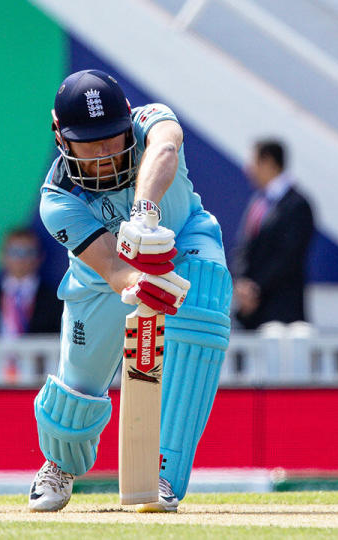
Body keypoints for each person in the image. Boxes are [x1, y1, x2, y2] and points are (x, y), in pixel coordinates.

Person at [27, 70, 233, 513]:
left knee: (204, 298)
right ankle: (59, 464)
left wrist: (144, 213)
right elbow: (115, 270)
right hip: (101, 278)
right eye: (89, 141)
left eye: (111, 137)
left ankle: (163, 473)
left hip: (184, 240)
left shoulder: (152, 122)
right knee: (78, 388)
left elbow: (166, 143)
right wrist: (141, 285)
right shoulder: (57, 200)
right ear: (61, 137)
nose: (103, 152)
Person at [232, 139, 314, 330]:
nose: (248, 169)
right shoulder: (258, 202)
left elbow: (288, 256)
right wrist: (242, 284)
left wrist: (256, 287)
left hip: (282, 313)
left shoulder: (298, 205)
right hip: (251, 313)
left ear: (268, 161)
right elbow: (244, 246)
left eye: (252, 162)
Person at [0, 228, 62, 337]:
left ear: (40, 257)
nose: (21, 259)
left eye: (29, 252)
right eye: (14, 252)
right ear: (2, 256)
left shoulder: (56, 303)